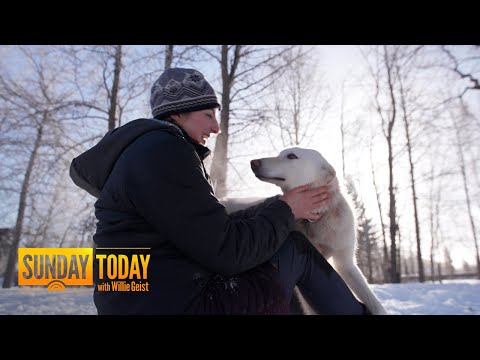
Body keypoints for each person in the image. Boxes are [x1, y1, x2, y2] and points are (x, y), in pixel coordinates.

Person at [70, 68, 371, 315]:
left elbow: (208, 231)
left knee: (270, 253)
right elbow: (227, 251)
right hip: (177, 305)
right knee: (294, 249)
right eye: (208, 115)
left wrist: (282, 204)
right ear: (178, 112)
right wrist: (286, 210)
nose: (216, 129)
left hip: (149, 300)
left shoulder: (145, 155)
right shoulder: (165, 153)